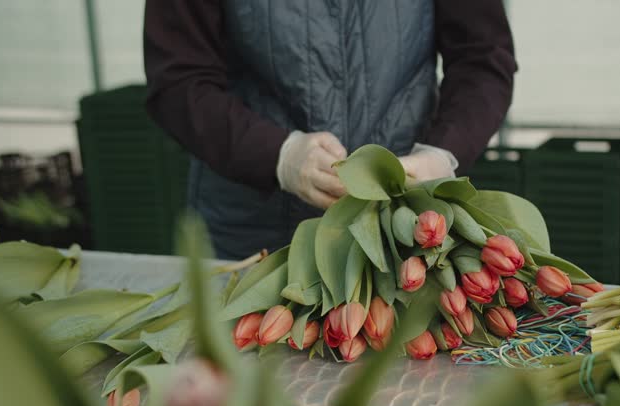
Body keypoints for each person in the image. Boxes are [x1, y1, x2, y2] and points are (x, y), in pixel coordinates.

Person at [144, 0, 516, 259]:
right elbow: (179, 79)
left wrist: (441, 153)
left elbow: (482, 58)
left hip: (405, 230)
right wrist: (277, 154)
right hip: (252, 236)